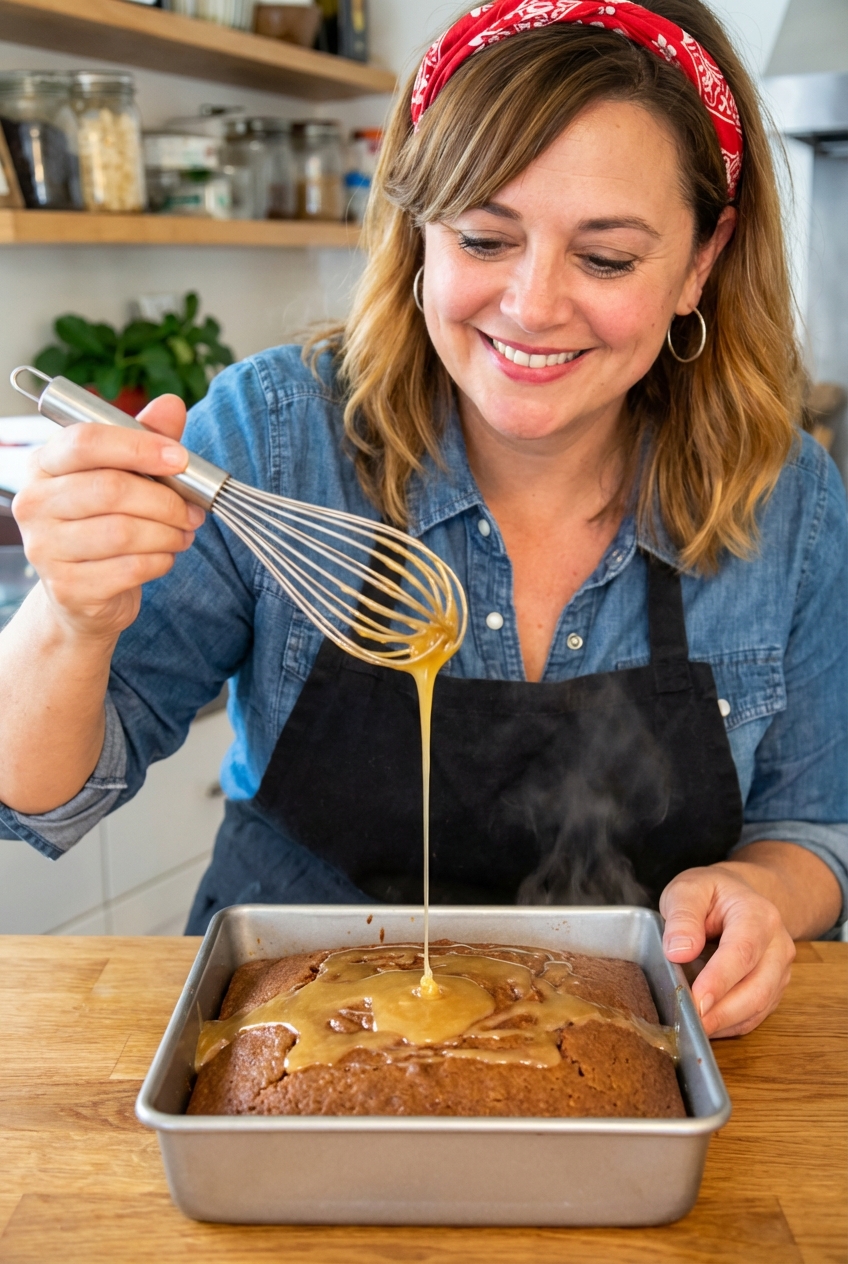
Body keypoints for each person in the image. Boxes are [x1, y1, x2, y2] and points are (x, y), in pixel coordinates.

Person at [1, 0, 845, 1044]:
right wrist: (69, 618)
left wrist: (761, 893)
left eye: (607, 259)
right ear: (416, 231)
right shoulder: (274, 439)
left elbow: (814, 826)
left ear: (701, 259)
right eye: (484, 236)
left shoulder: (787, 498)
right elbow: (36, 801)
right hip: (289, 1041)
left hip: (633, 1046)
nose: (532, 306)